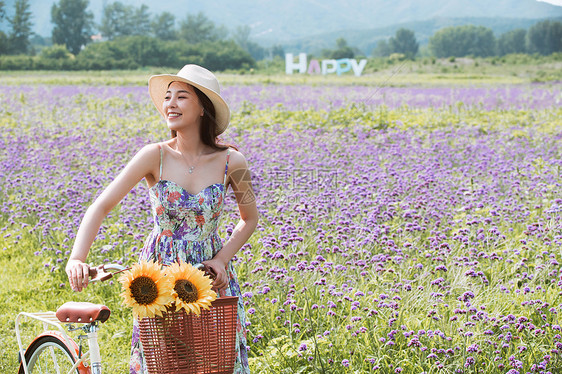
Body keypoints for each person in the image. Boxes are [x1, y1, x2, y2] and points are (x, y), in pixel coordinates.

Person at [65, 64, 258, 373]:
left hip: (210, 274)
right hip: (158, 275)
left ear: (203, 108)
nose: (171, 104)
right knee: (164, 363)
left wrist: (222, 259)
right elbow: (100, 206)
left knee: (216, 361)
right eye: (168, 97)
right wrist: (77, 257)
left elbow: (249, 219)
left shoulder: (233, 162)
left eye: (182, 97)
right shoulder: (153, 155)